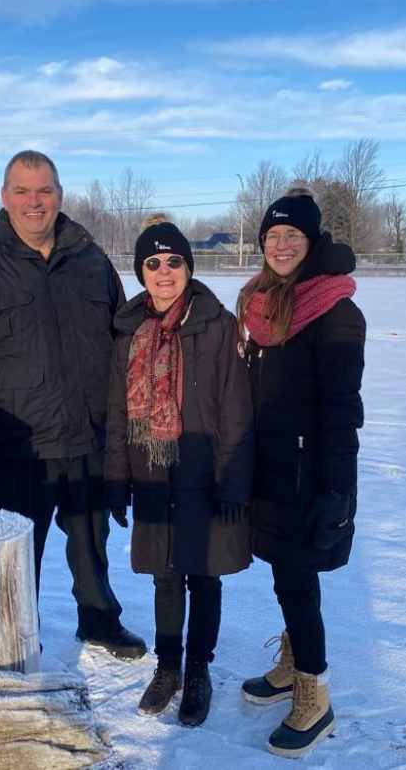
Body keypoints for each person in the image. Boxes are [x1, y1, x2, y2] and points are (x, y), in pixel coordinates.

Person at [0, 150, 146, 660]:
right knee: (16, 555)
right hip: (14, 446)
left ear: (59, 196)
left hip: (87, 435)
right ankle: (15, 637)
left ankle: (99, 620)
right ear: (5, 197)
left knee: (91, 541)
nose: (34, 202)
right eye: (22, 191)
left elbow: (123, 346)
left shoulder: (91, 262)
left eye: (44, 190)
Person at [104, 215, 254, 726]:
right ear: (141, 271)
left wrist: (232, 482)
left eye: (173, 261)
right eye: (153, 262)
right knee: (164, 576)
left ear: (188, 267)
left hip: (203, 474)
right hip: (150, 472)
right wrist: (115, 479)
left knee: (204, 577)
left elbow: (236, 410)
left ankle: (197, 671)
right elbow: (118, 414)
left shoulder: (219, 326)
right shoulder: (128, 331)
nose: (164, 271)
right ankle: (168, 668)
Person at [235, 187, 365, 757]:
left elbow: (341, 412)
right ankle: (293, 663)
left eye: (292, 235)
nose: (281, 245)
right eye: (272, 236)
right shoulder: (265, 304)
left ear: (312, 242)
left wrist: (337, 490)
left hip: (309, 476)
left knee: (297, 582)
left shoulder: (335, 313)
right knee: (284, 578)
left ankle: (315, 695)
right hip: (271, 468)